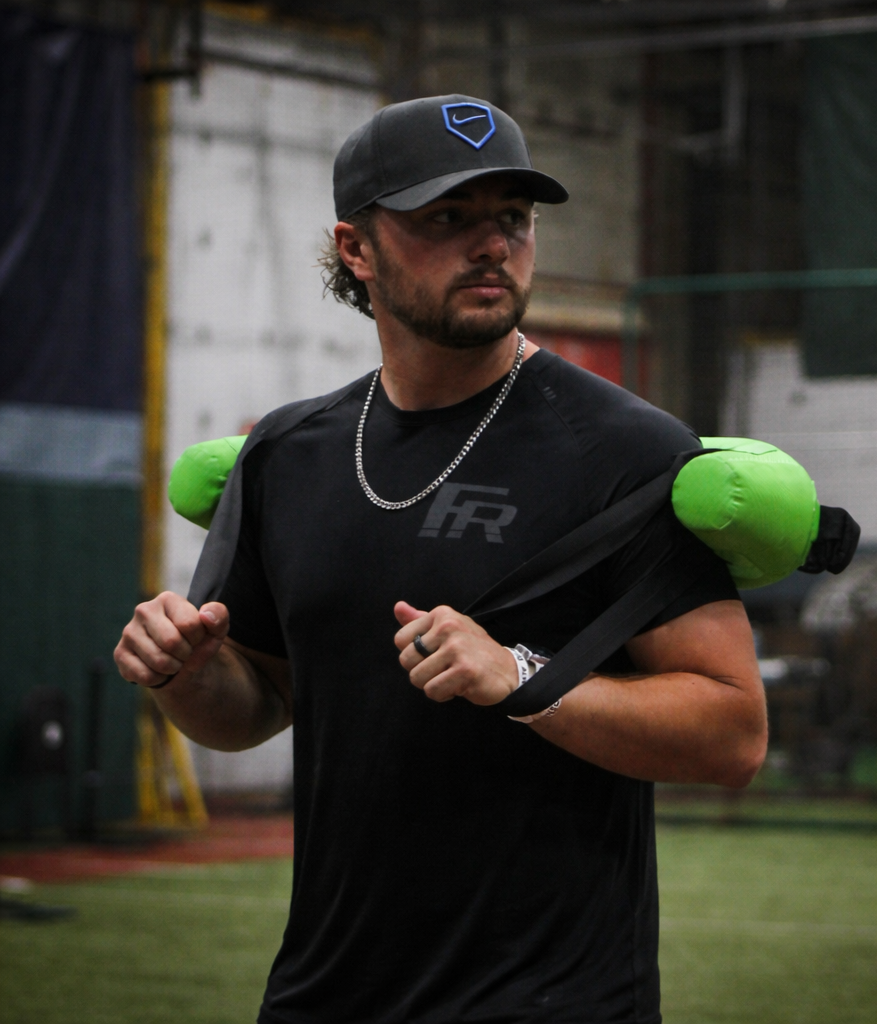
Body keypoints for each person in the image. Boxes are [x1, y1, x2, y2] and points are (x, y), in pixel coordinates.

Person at [115, 94, 767, 1024]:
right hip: (324, 994)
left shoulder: (628, 452)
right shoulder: (285, 455)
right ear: (356, 249)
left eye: (512, 218)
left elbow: (734, 733)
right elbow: (255, 706)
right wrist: (183, 674)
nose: (491, 244)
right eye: (446, 220)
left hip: (555, 1000)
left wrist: (524, 677)